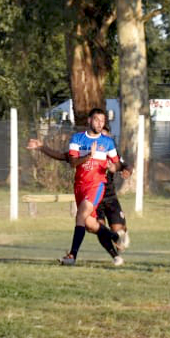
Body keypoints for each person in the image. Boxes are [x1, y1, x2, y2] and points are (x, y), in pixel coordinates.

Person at [27, 133, 132, 251]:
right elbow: (63, 156)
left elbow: (125, 166)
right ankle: (115, 256)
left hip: (110, 196)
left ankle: (117, 239)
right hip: (93, 196)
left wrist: (127, 171)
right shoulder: (85, 150)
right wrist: (42, 147)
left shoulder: (112, 152)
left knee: (118, 230)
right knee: (96, 227)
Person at [52, 107, 123, 266]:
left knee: (80, 215)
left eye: (102, 121)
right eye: (97, 120)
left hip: (96, 185)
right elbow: (73, 163)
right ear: (89, 120)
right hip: (80, 186)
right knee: (90, 225)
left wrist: (113, 167)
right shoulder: (77, 138)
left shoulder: (107, 142)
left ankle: (72, 256)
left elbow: (117, 164)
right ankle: (115, 237)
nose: (100, 123)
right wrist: (88, 156)